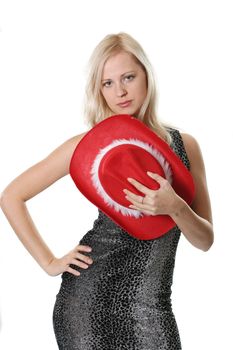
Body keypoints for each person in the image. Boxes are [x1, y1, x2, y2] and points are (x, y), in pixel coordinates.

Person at [0, 32, 214, 349]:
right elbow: (11, 196)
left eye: (128, 77)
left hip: (154, 307)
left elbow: (205, 241)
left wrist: (176, 207)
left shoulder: (185, 146)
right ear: (99, 91)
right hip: (87, 303)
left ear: (147, 75)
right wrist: (49, 262)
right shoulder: (91, 148)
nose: (121, 91)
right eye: (108, 83)